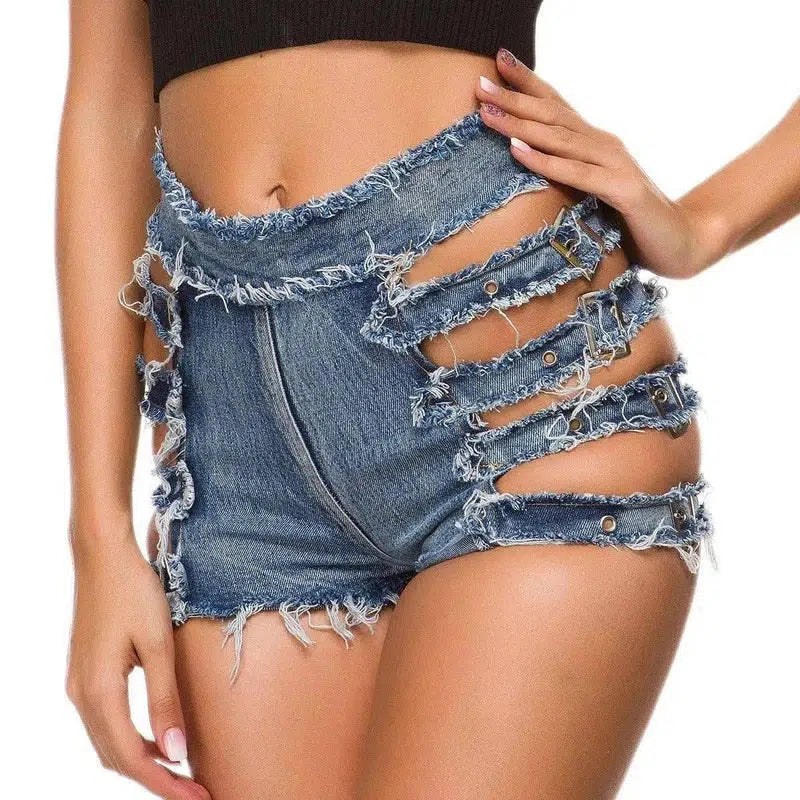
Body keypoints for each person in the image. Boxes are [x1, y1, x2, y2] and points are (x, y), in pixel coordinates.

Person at [57, 2, 800, 798]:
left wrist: (707, 224)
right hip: (237, 451)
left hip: (515, 399)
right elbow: (110, 104)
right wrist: (99, 536)